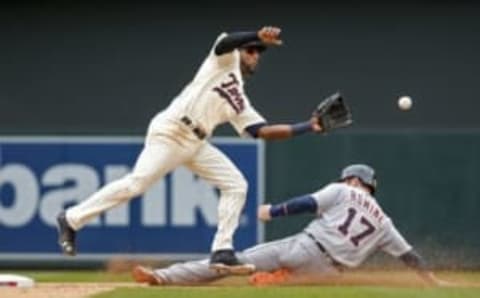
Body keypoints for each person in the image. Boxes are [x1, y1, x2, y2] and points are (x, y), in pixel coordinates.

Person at [56, 26, 324, 274]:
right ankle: (70, 219)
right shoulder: (223, 61)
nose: (255, 56)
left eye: (258, 53)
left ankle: (221, 250)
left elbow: (262, 132)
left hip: (196, 143)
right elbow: (226, 41)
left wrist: (309, 126)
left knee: (236, 184)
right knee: (136, 184)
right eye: (251, 50)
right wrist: (256, 33)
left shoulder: (240, 100)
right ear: (240, 52)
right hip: (171, 131)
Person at [131, 164, 447, 286]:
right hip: (329, 274)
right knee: (283, 281)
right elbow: (410, 257)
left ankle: (161, 277)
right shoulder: (384, 221)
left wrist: (273, 211)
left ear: (353, 179)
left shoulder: (343, 189)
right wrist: (432, 282)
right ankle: (278, 279)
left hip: (306, 247)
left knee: (230, 262)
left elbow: (307, 204)